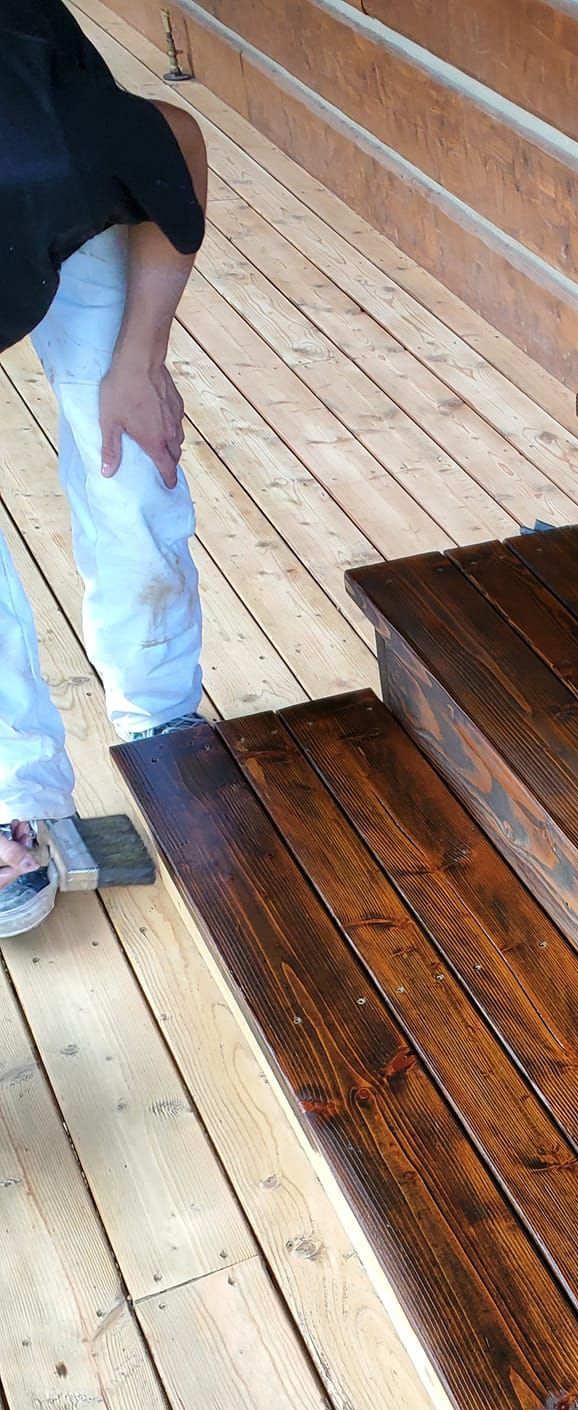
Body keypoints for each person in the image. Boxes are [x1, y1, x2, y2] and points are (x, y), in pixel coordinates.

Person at [1, 0, 207, 935]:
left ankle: (162, 718)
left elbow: (175, 146)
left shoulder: (51, 149)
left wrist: (142, 359)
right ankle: (9, 784)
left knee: (128, 451)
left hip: (38, 152)